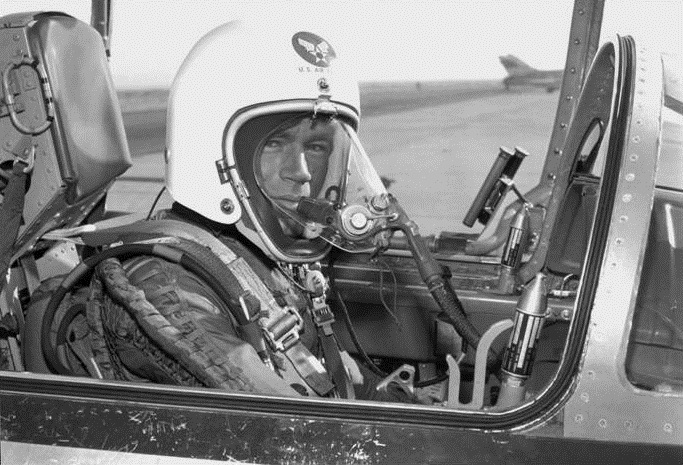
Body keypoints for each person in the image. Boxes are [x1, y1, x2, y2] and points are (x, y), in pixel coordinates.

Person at [29, 18, 417, 402]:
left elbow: (327, 375)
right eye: (275, 144)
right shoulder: (166, 285)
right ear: (212, 154)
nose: (301, 174)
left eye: (316, 148)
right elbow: (292, 423)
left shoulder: (267, 258)